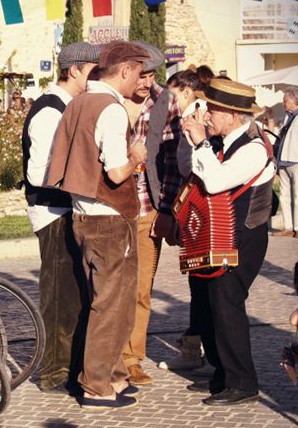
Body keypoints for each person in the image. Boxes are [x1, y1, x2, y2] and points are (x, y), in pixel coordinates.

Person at [46, 40, 149, 409]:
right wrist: (136, 156)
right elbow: (116, 171)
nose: (140, 81)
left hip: (84, 216)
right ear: (125, 70)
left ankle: (114, 376)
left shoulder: (79, 102)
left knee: (106, 302)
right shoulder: (111, 109)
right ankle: (97, 385)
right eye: (139, 73)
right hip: (109, 219)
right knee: (112, 306)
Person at [181, 78, 276, 405]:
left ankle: (242, 382)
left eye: (213, 109)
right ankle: (222, 375)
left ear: (233, 115)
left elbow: (216, 181)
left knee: (227, 303)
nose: (207, 114)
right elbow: (197, 175)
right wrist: (197, 142)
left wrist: (201, 143)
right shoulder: (223, 141)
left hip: (244, 237)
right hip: (221, 233)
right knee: (209, 303)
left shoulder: (253, 148)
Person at [21, 41, 100, 393]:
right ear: (75, 70)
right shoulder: (50, 111)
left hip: (68, 209)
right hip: (54, 212)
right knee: (59, 298)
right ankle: (54, 373)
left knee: (76, 295)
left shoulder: (69, 107)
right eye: (94, 70)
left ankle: (71, 367)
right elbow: (39, 173)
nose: (98, 77)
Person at [121, 42, 183, 386]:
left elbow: (173, 159)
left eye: (151, 75)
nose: (146, 82)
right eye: (141, 75)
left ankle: (132, 358)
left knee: (142, 287)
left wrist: (168, 209)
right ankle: (105, 356)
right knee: (109, 287)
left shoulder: (164, 101)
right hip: (110, 208)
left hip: (147, 206)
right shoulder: (107, 97)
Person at [159, 68, 216, 373]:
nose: (169, 102)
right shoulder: (194, 115)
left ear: (185, 91)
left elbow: (187, 165)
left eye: (172, 95)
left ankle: (201, 350)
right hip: (198, 205)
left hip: (201, 205)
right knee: (200, 281)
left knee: (202, 281)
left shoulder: (195, 117)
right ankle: (198, 345)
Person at [272, 87, 298, 238]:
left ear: (294, 100)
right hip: (283, 160)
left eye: (285, 100)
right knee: (284, 195)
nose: (283, 103)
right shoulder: (287, 117)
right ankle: (289, 227)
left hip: (296, 160)